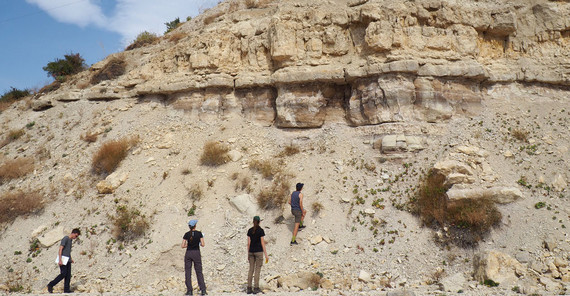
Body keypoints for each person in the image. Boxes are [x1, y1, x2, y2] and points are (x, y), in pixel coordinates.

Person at [47, 228, 81, 293]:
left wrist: (71, 258)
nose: (75, 237)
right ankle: (51, 284)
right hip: (63, 259)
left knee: (68, 275)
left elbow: (68, 251)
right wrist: (60, 260)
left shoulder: (70, 241)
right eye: (76, 236)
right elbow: (60, 249)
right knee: (63, 274)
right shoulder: (66, 238)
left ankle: (66, 289)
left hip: (68, 260)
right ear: (73, 233)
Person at [182, 219, 207, 295]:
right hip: (196, 252)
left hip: (188, 253)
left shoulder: (186, 234)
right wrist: (197, 244)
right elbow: (203, 244)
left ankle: (189, 290)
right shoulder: (199, 234)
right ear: (195, 225)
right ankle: (203, 289)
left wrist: (188, 245)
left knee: (188, 272)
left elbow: (182, 245)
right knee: (199, 271)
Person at [246, 216, 268, 294]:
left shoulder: (250, 230)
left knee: (251, 269)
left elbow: (248, 243)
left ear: (253, 221)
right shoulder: (260, 231)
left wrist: (248, 254)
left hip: (251, 251)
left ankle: (249, 287)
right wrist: (266, 254)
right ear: (259, 222)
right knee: (257, 270)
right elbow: (262, 243)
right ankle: (256, 287)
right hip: (258, 252)